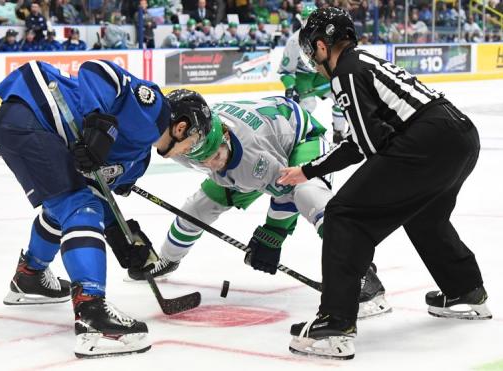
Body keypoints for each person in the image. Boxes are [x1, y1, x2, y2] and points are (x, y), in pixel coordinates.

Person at [278, 7, 491, 360]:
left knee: (344, 215)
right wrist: (308, 171)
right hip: (460, 135)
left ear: (320, 45)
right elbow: (372, 138)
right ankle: (465, 290)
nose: (312, 63)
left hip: (429, 141)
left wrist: (313, 172)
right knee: (425, 217)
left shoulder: (344, 71)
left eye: (310, 52)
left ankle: (335, 324)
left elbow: (366, 145)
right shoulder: (363, 60)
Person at [0, 59, 206, 358]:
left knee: (65, 207)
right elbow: (97, 70)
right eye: (194, 140)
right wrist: (98, 123)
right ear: (182, 127)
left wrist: (120, 234)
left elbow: (95, 189)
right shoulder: (155, 110)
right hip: (35, 114)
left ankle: (30, 276)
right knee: (79, 208)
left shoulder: (136, 163)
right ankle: (93, 315)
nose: (190, 149)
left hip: (30, 129)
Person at [138, 92, 392, 319]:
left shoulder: (254, 157)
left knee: (308, 195)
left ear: (224, 135)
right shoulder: (190, 138)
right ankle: (168, 259)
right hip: (251, 152)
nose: (211, 165)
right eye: (202, 160)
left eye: (215, 156)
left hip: (299, 140)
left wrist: (273, 234)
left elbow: (286, 194)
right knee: (197, 208)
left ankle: (360, 271)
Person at [278, 5, 347, 144]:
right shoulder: (293, 41)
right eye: (306, 19)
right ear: (301, 20)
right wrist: (290, 88)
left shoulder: (327, 36)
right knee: (308, 105)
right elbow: (286, 70)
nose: (310, 23)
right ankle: (298, 135)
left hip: (322, 75)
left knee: (340, 97)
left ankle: (339, 133)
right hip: (304, 77)